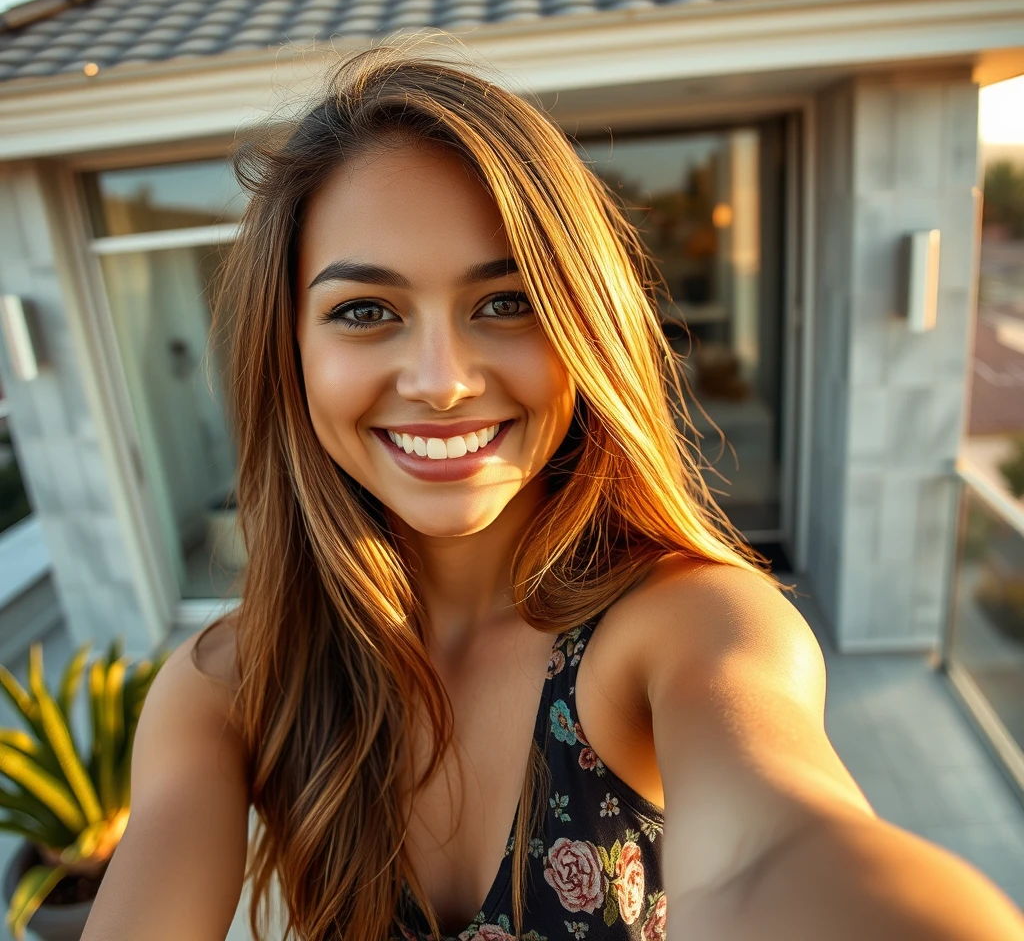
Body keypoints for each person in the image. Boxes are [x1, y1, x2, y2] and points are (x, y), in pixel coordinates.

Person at [81, 46, 1024, 941]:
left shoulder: (690, 628)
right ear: (288, 355)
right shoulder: (233, 687)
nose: (442, 380)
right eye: (365, 311)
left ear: (584, 325)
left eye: (507, 300)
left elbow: (770, 852)